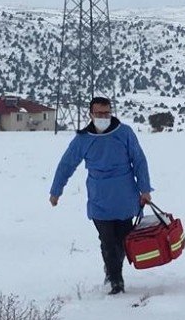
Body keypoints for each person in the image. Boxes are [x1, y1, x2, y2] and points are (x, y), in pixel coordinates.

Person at [50, 96, 153, 295]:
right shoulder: (83, 139)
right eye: (99, 114)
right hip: (99, 198)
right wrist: (56, 191)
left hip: (124, 196)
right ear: (91, 114)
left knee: (122, 240)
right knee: (107, 240)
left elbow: (139, 161)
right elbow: (67, 164)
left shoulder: (124, 133)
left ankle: (113, 270)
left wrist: (145, 189)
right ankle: (116, 280)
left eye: (106, 113)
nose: (103, 117)